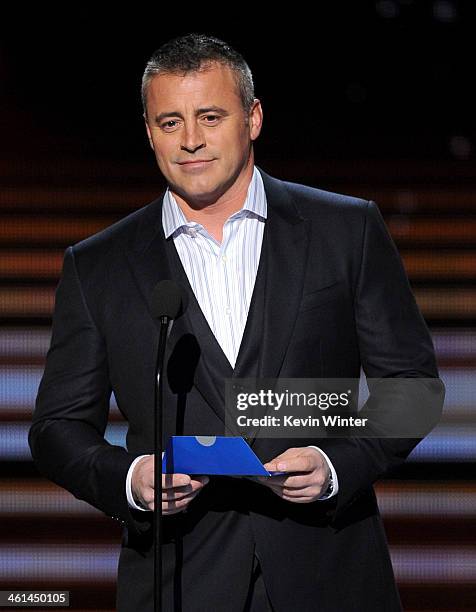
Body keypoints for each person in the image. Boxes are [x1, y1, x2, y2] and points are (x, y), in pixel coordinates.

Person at [29, 33, 443, 612]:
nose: (191, 140)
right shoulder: (97, 264)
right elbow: (55, 428)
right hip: (178, 580)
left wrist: (334, 464)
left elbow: (415, 387)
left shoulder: (345, 230)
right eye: (170, 122)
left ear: (253, 118)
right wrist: (130, 478)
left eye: (210, 116)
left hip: (328, 570)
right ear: (149, 132)